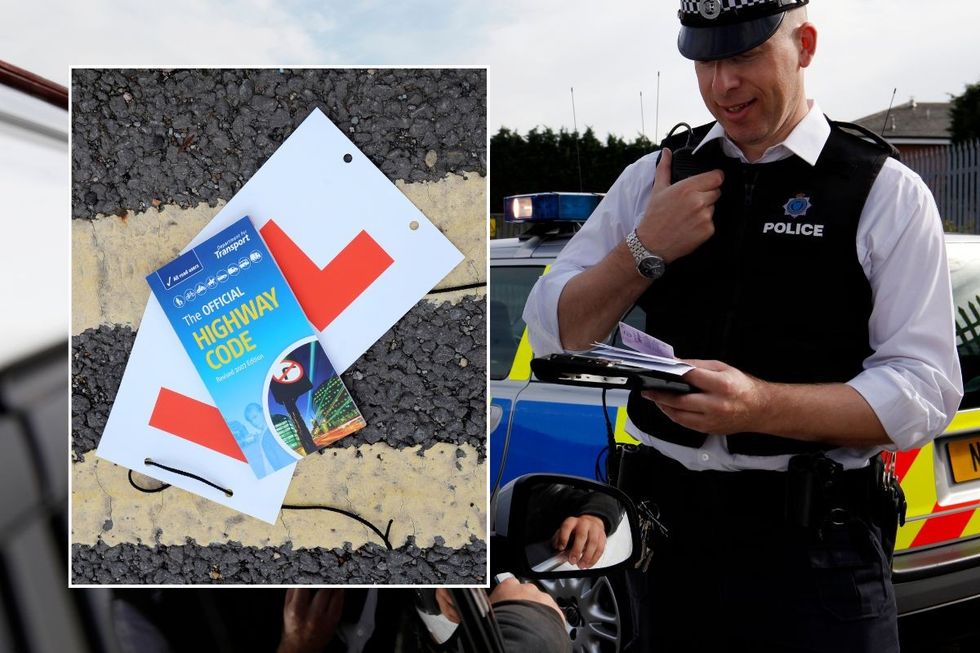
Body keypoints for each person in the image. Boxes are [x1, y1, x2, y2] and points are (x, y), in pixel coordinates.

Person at [522, 1, 962, 651]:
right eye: (705, 60)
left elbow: (926, 389)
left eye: (745, 55)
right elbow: (558, 331)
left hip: (818, 556)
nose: (721, 84)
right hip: (664, 546)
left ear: (805, 44)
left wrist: (758, 405)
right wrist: (645, 248)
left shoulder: (883, 190)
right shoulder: (655, 177)